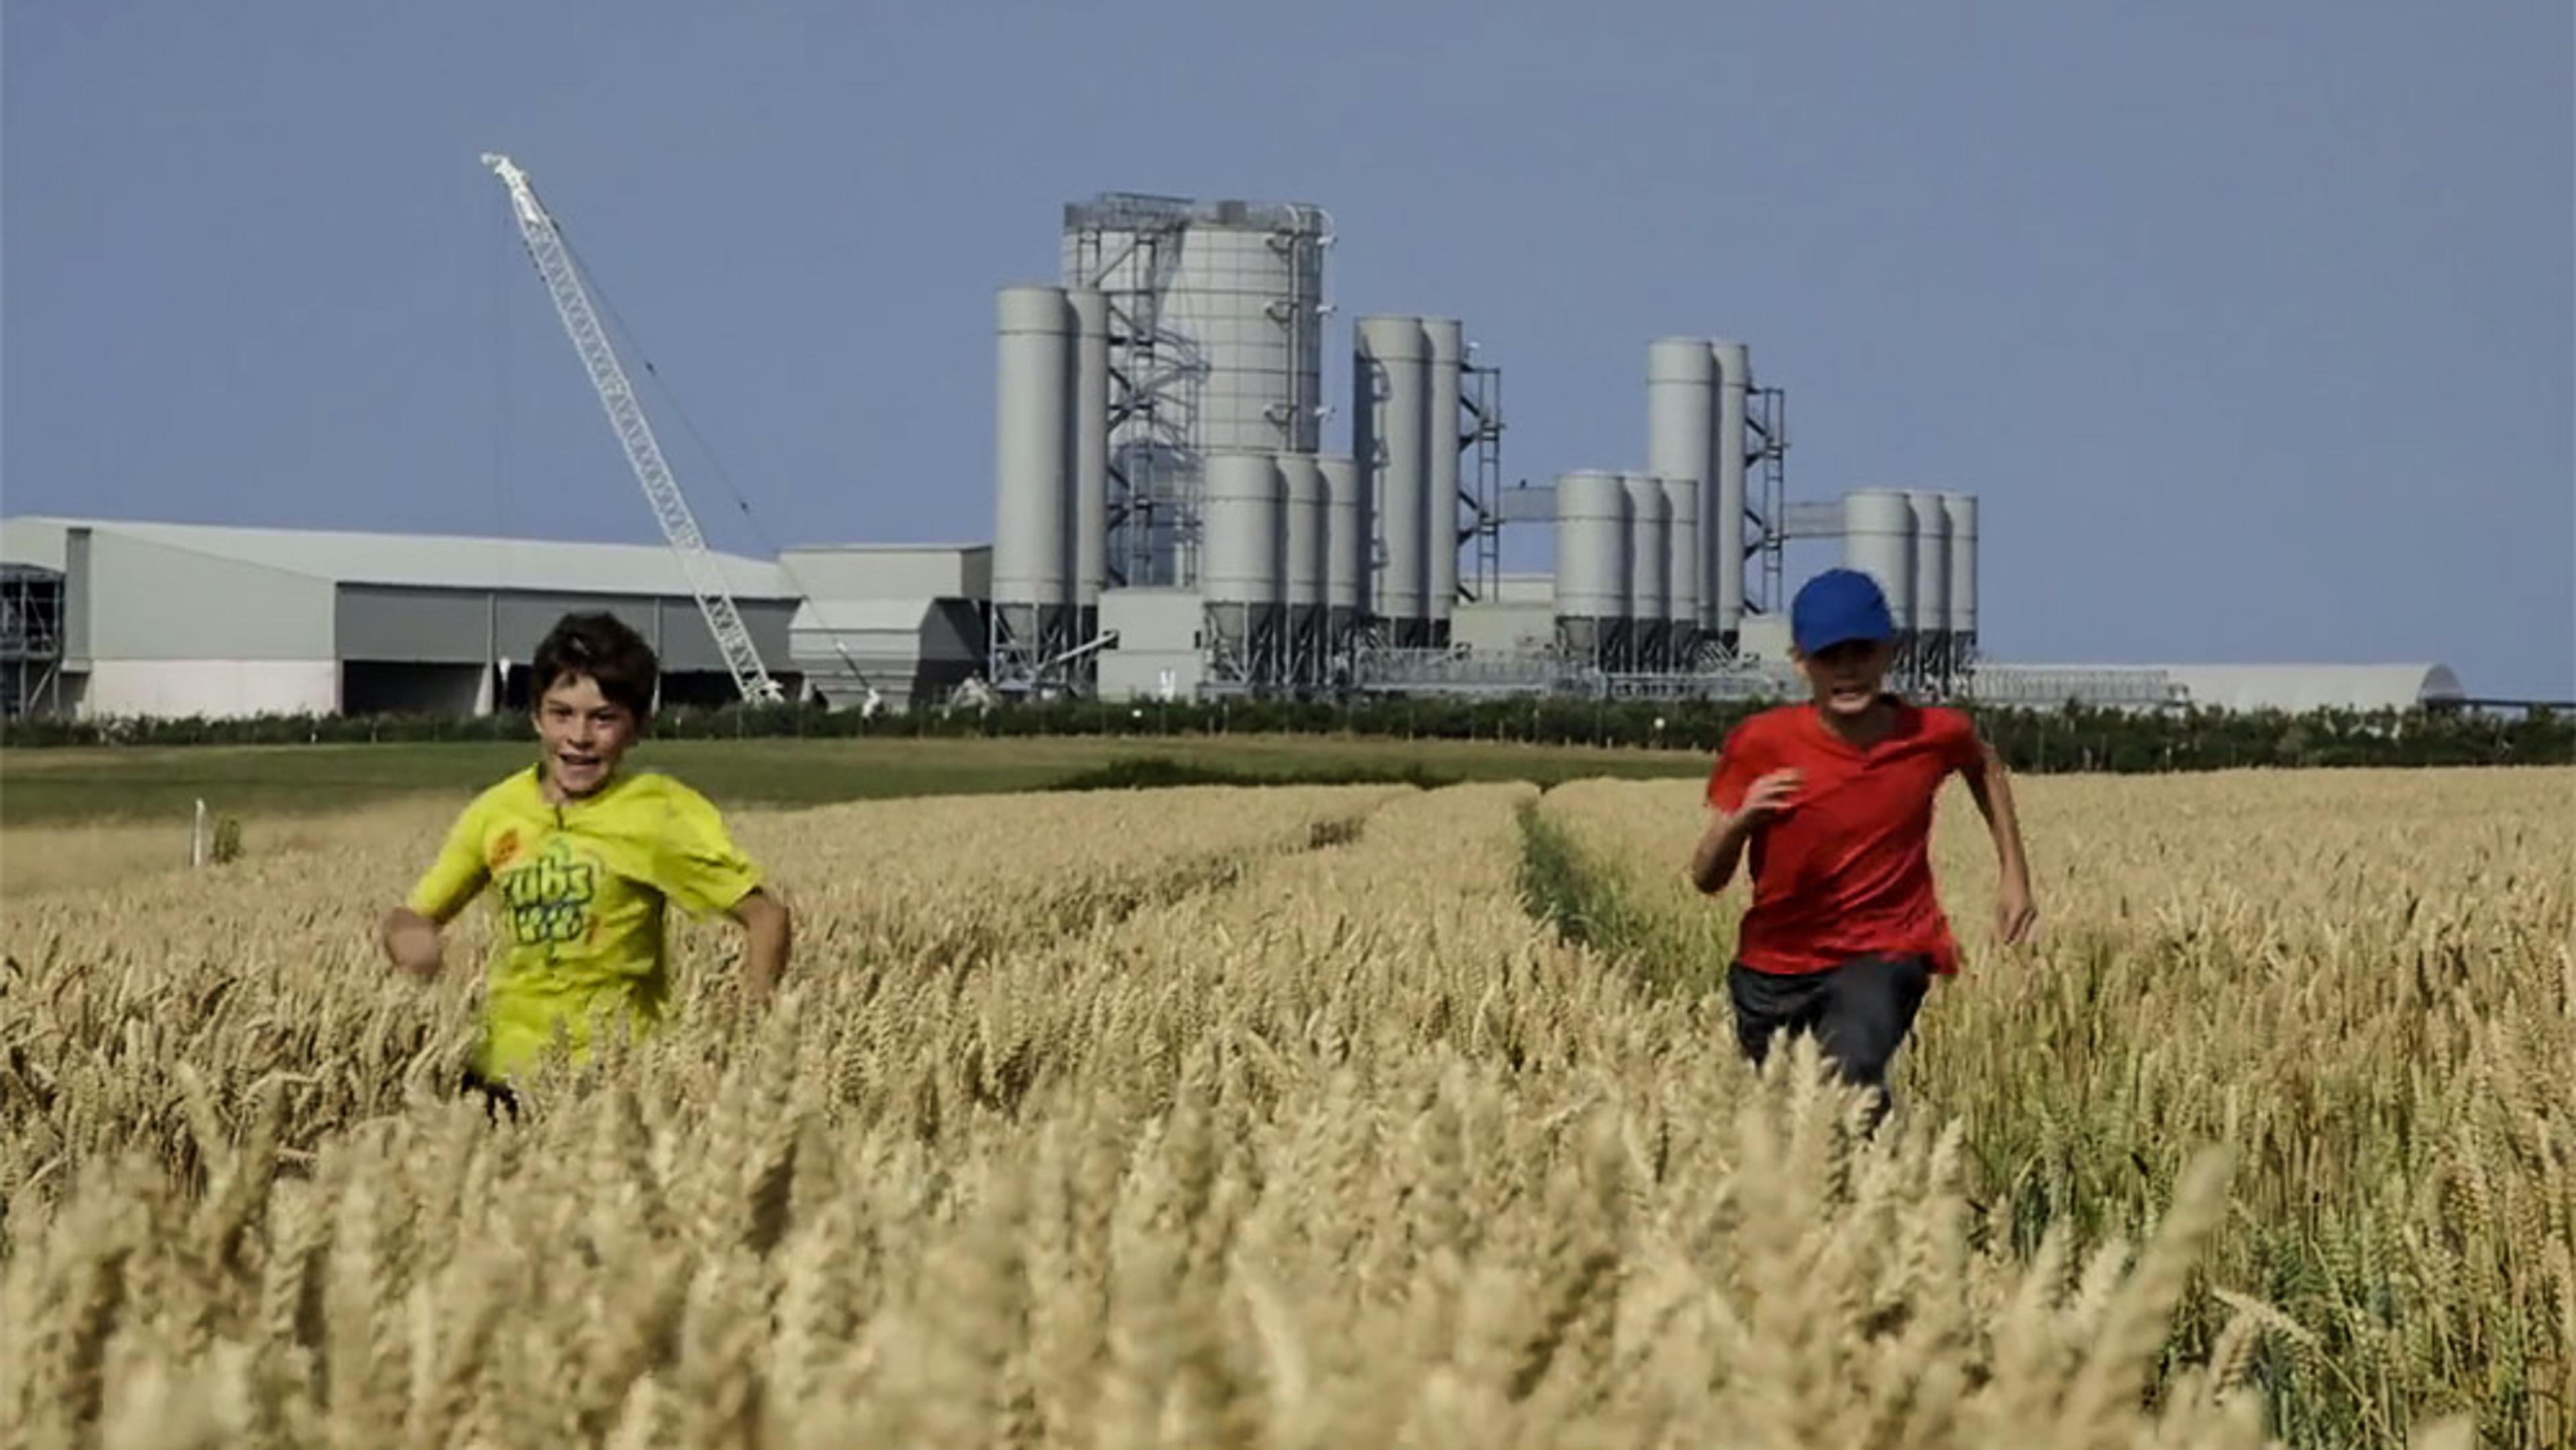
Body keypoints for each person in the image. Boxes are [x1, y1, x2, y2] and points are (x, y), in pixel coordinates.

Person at [380, 610, 794, 1113]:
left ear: (637, 727)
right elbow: (414, 914)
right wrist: (413, 944)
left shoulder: (657, 812)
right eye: (561, 714)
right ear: (535, 715)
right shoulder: (496, 811)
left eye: (603, 718)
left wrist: (752, 1030)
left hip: (613, 1084)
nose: (579, 736)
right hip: (497, 1077)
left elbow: (766, 917)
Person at [1688, 567, 2034, 1131]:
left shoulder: (1934, 732)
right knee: (1785, 1128)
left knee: (1844, 1084)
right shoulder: (1760, 744)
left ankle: (1879, 1177)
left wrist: (2015, 877)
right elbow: (1705, 878)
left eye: (1862, 651)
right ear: (1801, 662)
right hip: (1773, 970)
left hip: (1886, 952)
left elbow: (1983, 764)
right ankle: (1880, 1179)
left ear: (1888, 653)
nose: (1848, 668)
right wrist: (1742, 819)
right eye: (1830, 656)